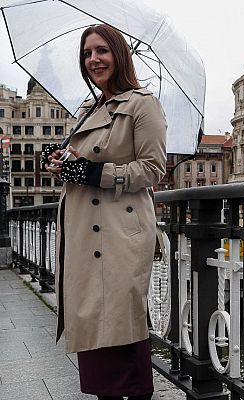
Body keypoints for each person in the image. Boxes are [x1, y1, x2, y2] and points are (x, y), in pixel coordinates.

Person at [41, 24, 166, 400]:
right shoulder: (87, 108)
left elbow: (153, 168)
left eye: (102, 51)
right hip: (84, 234)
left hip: (118, 235)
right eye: (87, 53)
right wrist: (65, 162)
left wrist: (94, 171)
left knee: (121, 331)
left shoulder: (143, 104)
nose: (93, 60)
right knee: (96, 336)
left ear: (118, 55)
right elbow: (85, 159)